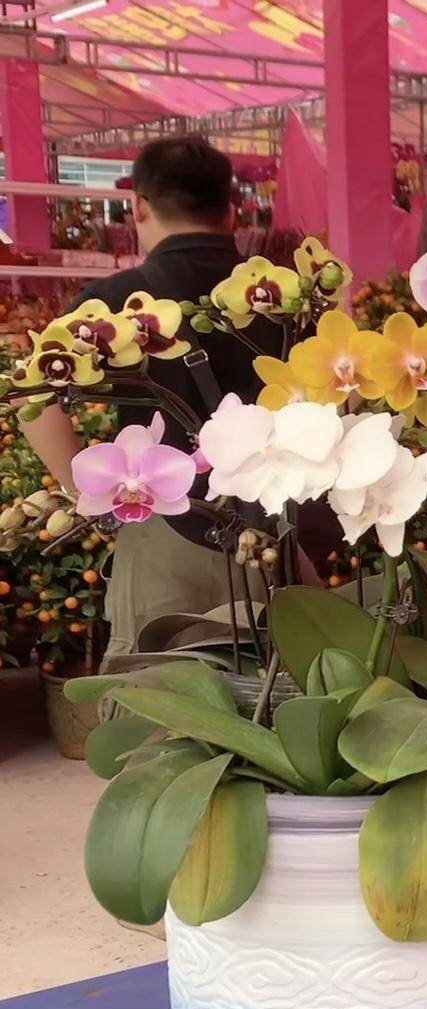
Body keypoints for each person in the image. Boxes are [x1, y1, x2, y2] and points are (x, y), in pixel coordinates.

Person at [23, 136, 280, 658]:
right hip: (274, 529)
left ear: (138, 205)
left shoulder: (117, 301)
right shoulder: (285, 297)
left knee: (158, 703)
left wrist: (96, 489)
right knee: (278, 696)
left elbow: (35, 399)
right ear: (232, 208)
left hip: (163, 526)